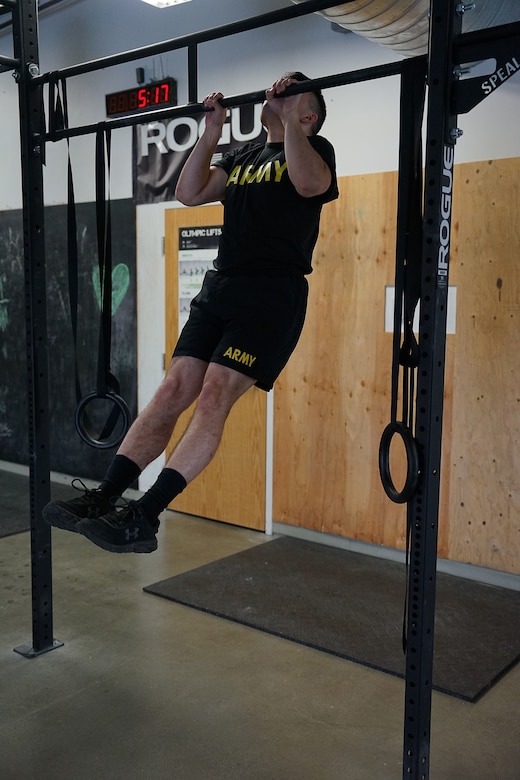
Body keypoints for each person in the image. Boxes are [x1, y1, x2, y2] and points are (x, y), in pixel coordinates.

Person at [43, 71, 339, 553]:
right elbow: (189, 192)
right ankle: (107, 496)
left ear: (308, 114)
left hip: (271, 296)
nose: (277, 91)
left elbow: (308, 186)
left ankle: (146, 514)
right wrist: (211, 133)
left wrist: (289, 123)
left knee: (213, 395)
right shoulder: (243, 157)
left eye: (292, 91)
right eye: (278, 88)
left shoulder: (316, 149)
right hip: (221, 287)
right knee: (172, 389)